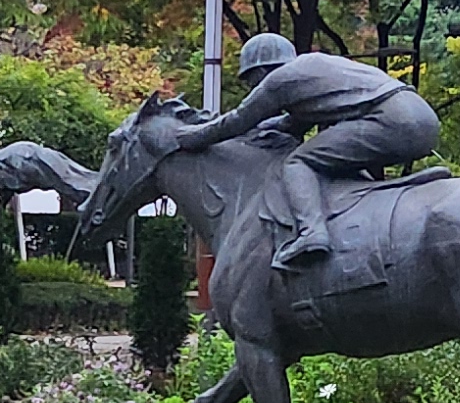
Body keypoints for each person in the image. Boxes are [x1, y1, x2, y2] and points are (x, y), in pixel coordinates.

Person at [170, 33, 441, 274]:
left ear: (262, 69)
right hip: (419, 117)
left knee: (299, 162)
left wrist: (194, 136)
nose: (253, 89)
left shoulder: (280, 80)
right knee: (336, 159)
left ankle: (312, 233)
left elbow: (240, 119)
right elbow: (289, 124)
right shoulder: (312, 70)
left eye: (251, 81)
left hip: (392, 120)